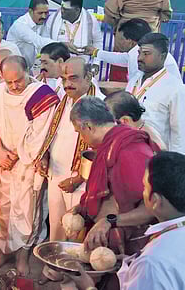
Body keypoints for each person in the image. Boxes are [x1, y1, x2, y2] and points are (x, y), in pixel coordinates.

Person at [62, 96, 159, 289]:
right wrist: (82, 207)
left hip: (129, 248)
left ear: (87, 126)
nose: (82, 139)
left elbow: (151, 209)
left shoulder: (131, 151)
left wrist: (109, 221)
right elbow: (109, 194)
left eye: (79, 132)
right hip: (106, 243)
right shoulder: (110, 145)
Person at [65, 151, 185, 290]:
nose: (142, 193)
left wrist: (88, 287)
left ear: (155, 201)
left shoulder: (151, 263)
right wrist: (129, 263)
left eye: (145, 188)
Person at [0, 55, 60, 276]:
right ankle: (4, 251)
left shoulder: (41, 96)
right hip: (4, 161)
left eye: (18, 80)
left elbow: (38, 136)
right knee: (5, 208)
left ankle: (22, 256)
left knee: (28, 212)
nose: (14, 86)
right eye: (9, 82)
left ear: (28, 71)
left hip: (27, 164)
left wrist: (14, 156)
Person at [36, 58, 105, 285]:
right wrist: (45, 156)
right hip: (57, 175)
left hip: (83, 182)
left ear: (89, 77)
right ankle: (53, 271)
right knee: (56, 227)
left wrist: (77, 178)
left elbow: (101, 150)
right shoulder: (64, 99)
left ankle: (74, 281)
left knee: (76, 233)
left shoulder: (99, 105)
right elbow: (53, 133)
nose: (67, 84)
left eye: (74, 78)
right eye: (64, 78)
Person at [126, 33, 185, 153]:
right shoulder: (134, 80)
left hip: (155, 156)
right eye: (139, 53)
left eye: (146, 54)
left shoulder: (175, 88)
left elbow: (179, 132)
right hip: (127, 149)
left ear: (162, 57)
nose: (140, 58)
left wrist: (175, 163)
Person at [103, 0, 172, 82]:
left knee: (147, 77)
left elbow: (110, 16)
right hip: (136, 38)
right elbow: (166, 15)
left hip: (134, 39)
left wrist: (119, 26)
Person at [85, 18, 181, 81]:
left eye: (121, 39)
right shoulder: (142, 50)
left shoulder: (140, 56)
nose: (119, 41)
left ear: (130, 41)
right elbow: (121, 59)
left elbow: (135, 85)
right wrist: (95, 52)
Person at [45, 0, 103, 71]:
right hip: (57, 68)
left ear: (77, 10)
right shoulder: (53, 18)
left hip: (81, 68)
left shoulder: (91, 21)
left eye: (66, 9)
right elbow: (45, 41)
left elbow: (98, 42)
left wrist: (96, 63)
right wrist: (60, 45)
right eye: (62, 7)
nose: (62, 11)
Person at [7, 0, 57, 69]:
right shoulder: (20, 25)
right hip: (14, 68)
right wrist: (62, 44)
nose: (44, 16)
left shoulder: (40, 22)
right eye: (40, 13)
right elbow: (39, 41)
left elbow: (45, 43)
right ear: (30, 11)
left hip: (27, 67)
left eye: (46, 13)